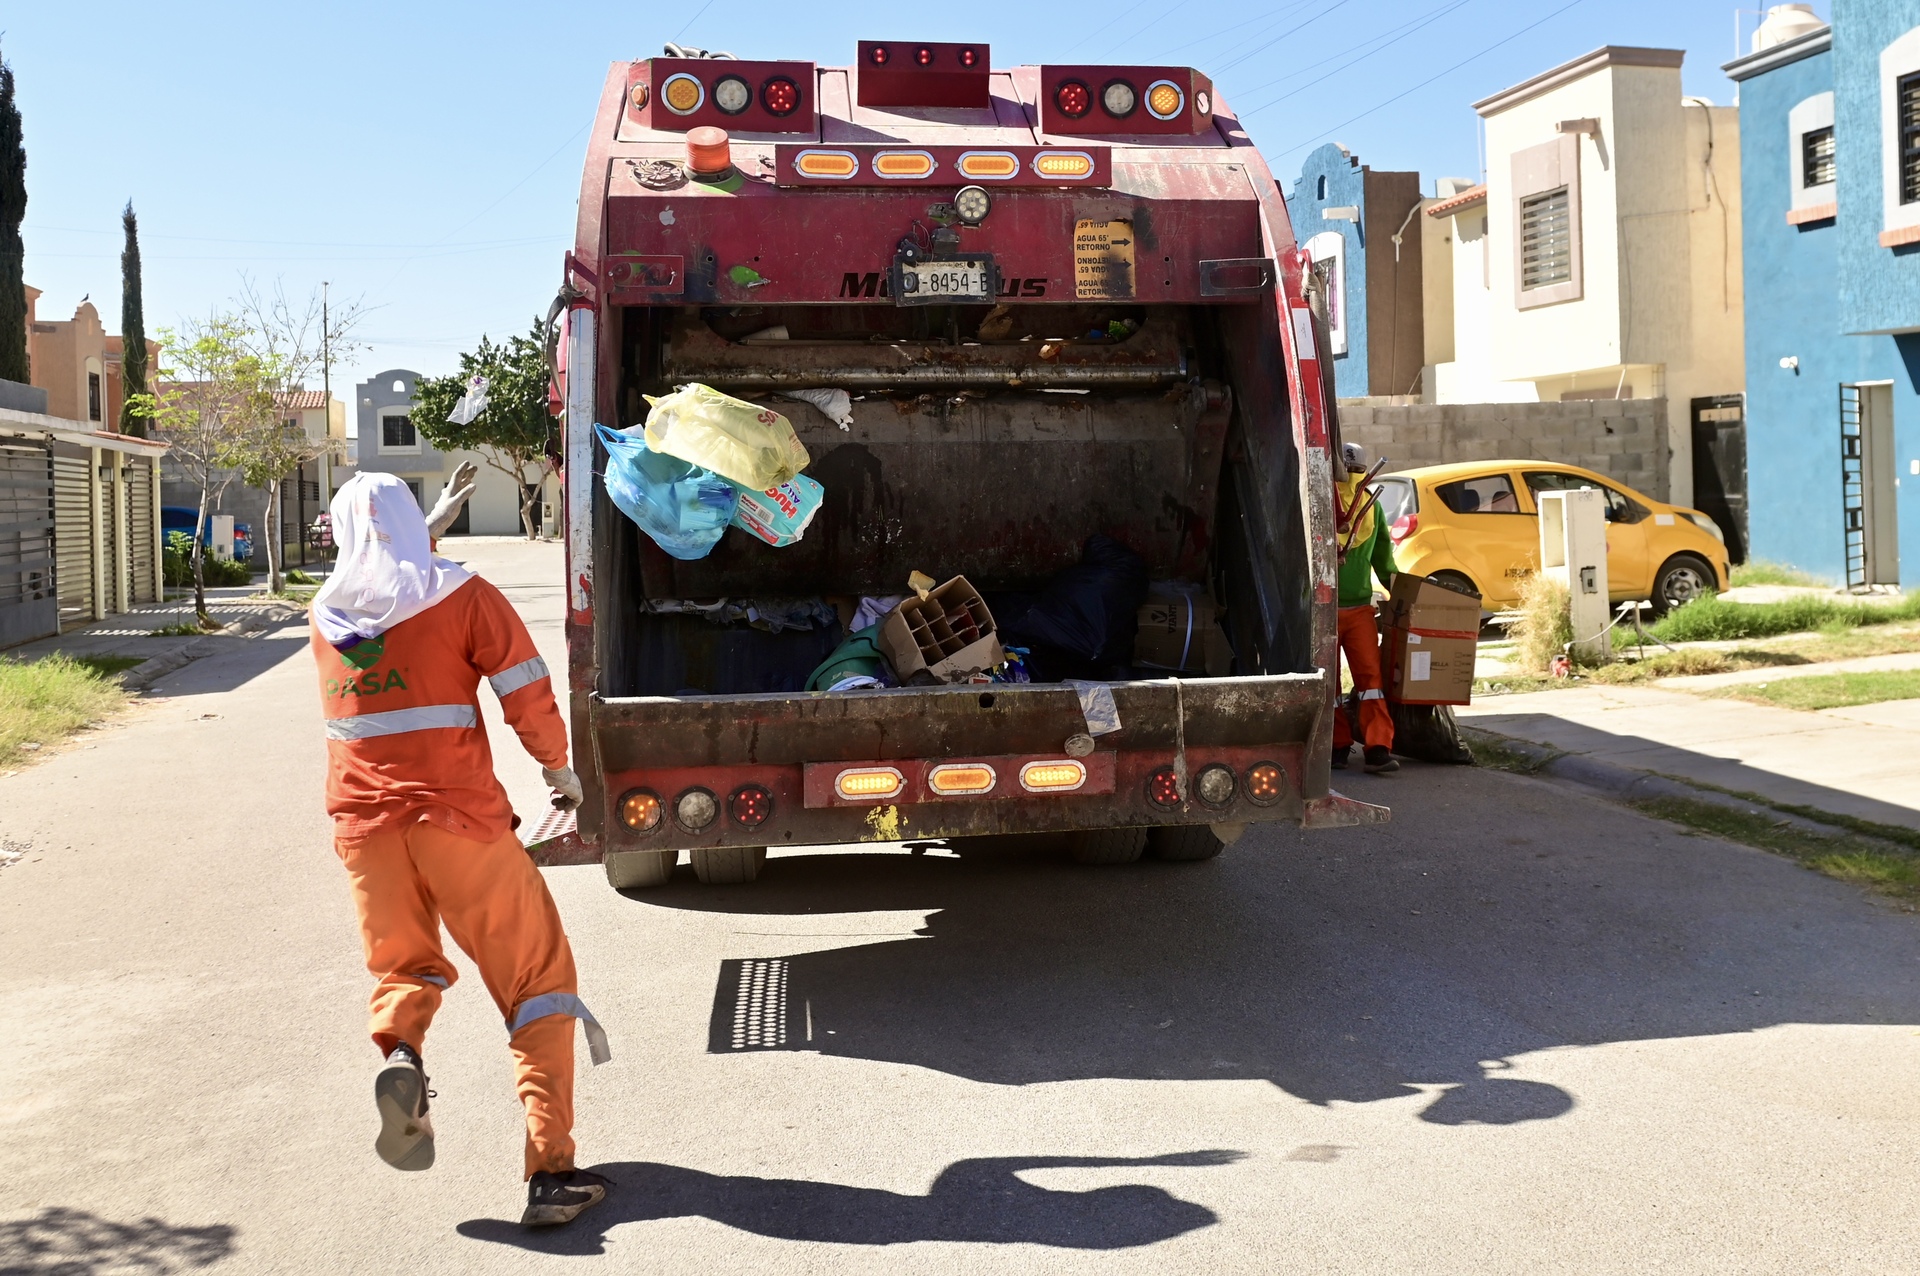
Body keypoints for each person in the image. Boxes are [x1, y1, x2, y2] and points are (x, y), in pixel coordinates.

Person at [308, 468, 611, 1229]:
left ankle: (403, 1056)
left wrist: (428, 523)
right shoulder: (463, 594)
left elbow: (392, 582)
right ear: (414, 529)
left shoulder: (326, 611)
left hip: (365, 835)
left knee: (404, 967)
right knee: (536, 977)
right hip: (458, 826)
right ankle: (551, 1173)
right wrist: (559, 769)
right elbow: (524, 686)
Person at [1332, 442, 1399, 774]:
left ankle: (1376, 747)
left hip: (1356, 609)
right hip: (1325, 611)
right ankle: (1336, 746)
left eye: (1357, 473)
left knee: (1369, 682)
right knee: (1329, 684)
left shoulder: (1371, 508)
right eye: (1351, 473)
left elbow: (1384, 558)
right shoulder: (1323, 506)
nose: (1353, 481)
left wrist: (1401, 596)